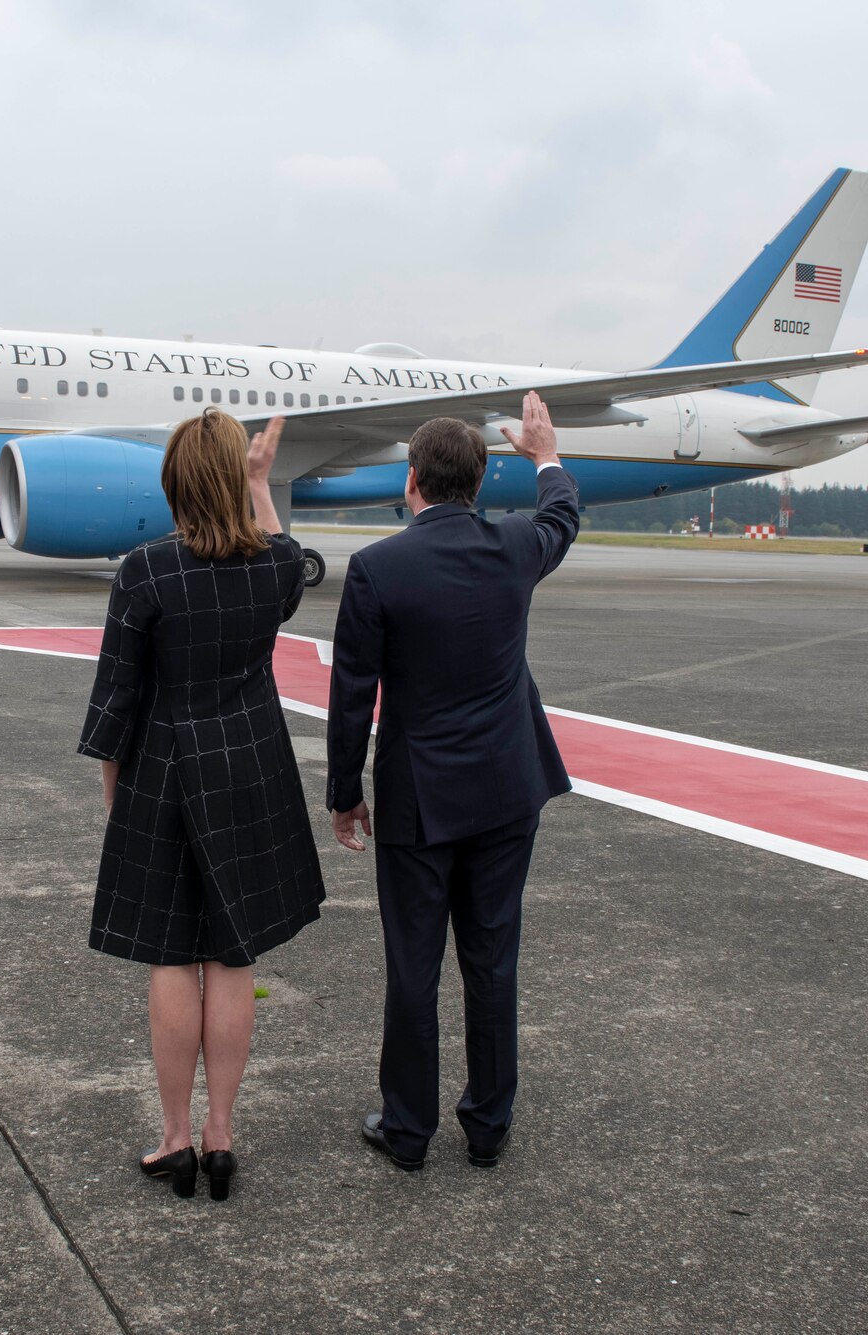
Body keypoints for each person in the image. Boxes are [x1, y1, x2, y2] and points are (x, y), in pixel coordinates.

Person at [325, 392, 578, 1174]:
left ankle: (407, 1129)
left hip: (419, 800)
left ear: (413, 481)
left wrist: (344, 792)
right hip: (507, 789)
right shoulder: (513, 547)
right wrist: (545, 453)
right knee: (492, 959)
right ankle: (488, 1125)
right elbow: (561, 515)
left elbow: (352, 696)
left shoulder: (377, 568)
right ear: (477, 481)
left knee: (414, 965)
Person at [78, 409, 326, 1202]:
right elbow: (283, 549)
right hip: (252, 768)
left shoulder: (146, 569)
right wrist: (259, 482)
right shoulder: (273, 566)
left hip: (163, 770)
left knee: (171, 954)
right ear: (229, 477)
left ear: (173, 479)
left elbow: (114, 699)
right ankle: (223, 1133)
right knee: (233, 955)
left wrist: (116, 795)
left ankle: (177, 1136)